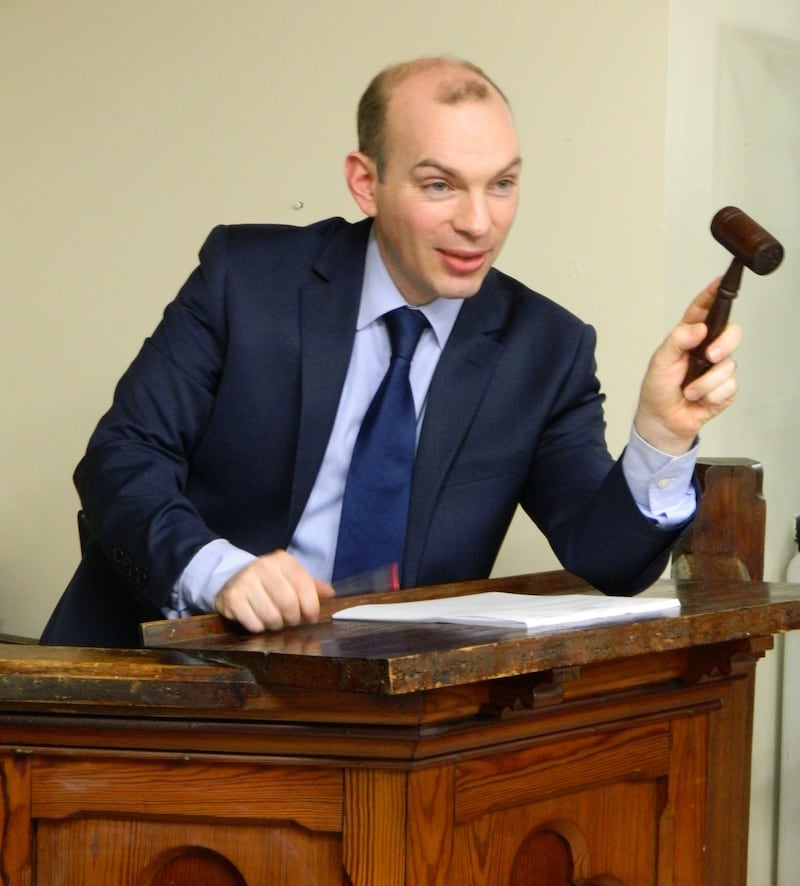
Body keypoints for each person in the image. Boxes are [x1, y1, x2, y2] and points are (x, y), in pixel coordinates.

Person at [41, 57, 740, 648]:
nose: (478, 222)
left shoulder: (544, 348)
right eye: (440, 185)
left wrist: (662, 434)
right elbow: (121, 461)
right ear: (365, 182)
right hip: (158, 675)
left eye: (502, 183)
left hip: (385, 713)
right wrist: (220, 571)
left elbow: (609, 560)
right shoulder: (247, 280)